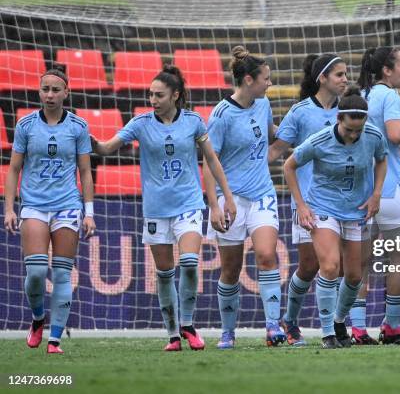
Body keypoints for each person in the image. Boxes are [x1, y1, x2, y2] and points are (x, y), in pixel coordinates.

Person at [92, 65, 235, 351]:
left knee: (191, 263)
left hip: (189, 204)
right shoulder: (140, 123)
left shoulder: (194, 122)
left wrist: (224, 198)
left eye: (159, 95)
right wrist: (88, 139)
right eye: (150, 94)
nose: (153, 100)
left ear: (175, 95)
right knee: (165, 273)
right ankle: (172, 335)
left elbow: (212, 160)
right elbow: (106, 149)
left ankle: (188, 325)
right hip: (157, 210)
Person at [284, 86, 387, 348]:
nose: (354, 134)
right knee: (329, 266)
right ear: (339, 119)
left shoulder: (373, 135)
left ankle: (340, 321)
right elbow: (289, 166)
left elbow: (382, 160)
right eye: (349, 129)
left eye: (358, 130)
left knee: (353, 276)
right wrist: (302, 205)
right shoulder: (319, 140)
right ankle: (327, 332)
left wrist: (376, 194)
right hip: (323, 207)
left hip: (356, 210)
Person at [4, 65, 96, 354]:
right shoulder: (26, 125)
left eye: (56, 89)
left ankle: (54, 340)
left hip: (67, 205)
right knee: (35, 272)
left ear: (66, 92)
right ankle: (37, 319)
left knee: (60, 275)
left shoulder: (78, 127)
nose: (50, 94)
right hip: (33, 205)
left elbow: (85, 171)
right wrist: (9, 208)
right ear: (39, 91)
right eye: (45, 89)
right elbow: (14, 168)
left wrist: (89, 211)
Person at [206, 46, 286, 349]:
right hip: (231, 200)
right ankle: (228, 332)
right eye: (266, 79)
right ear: (249, 79)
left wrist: (295, 133)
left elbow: (270, 133)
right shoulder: (221, 116)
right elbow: (209, 163)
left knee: (267, 255)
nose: (270, 84)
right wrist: (215, 204)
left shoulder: (263, 104)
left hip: (262, 193)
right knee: (230, 269)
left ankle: (272, 327)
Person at [268, 53, 348, 346]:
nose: (345, 80)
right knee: (310, 265)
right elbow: (277, 150)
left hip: (342, 201)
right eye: (339, 75)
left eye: (346, 74)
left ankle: (335, 327)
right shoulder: (301, 112)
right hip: (308, 201)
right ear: (322, 78)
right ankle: (290, 319)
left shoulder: (349, 111)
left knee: (337, 266)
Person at [352, 46, 400, 345]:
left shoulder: (359, 95)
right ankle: (391, 326)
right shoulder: (389, 95)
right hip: (390, 188)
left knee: (360, 263)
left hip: (358, 188)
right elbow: (395, 134)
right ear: (386, 70)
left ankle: (356, 328)